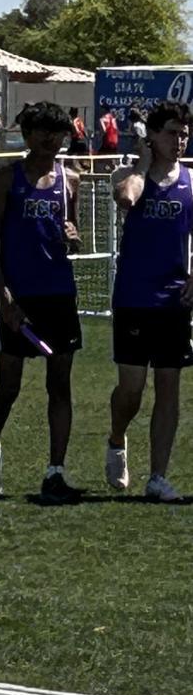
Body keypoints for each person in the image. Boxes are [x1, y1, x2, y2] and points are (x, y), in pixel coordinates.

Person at [0, 101, 83, 504]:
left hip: (59, 295)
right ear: (27, 135)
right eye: (43, 132)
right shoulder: (7, 179)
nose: (51, 140)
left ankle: (55, 471)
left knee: (60, 384)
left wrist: (74, 239)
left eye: (58, 133)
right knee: (9, 385)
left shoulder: (70, 179)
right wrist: (3, 297)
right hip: (18, 297)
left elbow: (74, 238)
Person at [106, 101, 193, 502]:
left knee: (168, 386)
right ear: (153, 135)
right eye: (172, 133)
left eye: (184, 134)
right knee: (132, 389)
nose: (180, 140)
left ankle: (158, 476)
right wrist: (142, 164)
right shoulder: (129, 174)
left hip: (174, 300)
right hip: (134, 297)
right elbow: (126, 199)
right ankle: (117, 438)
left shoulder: (190, 181)